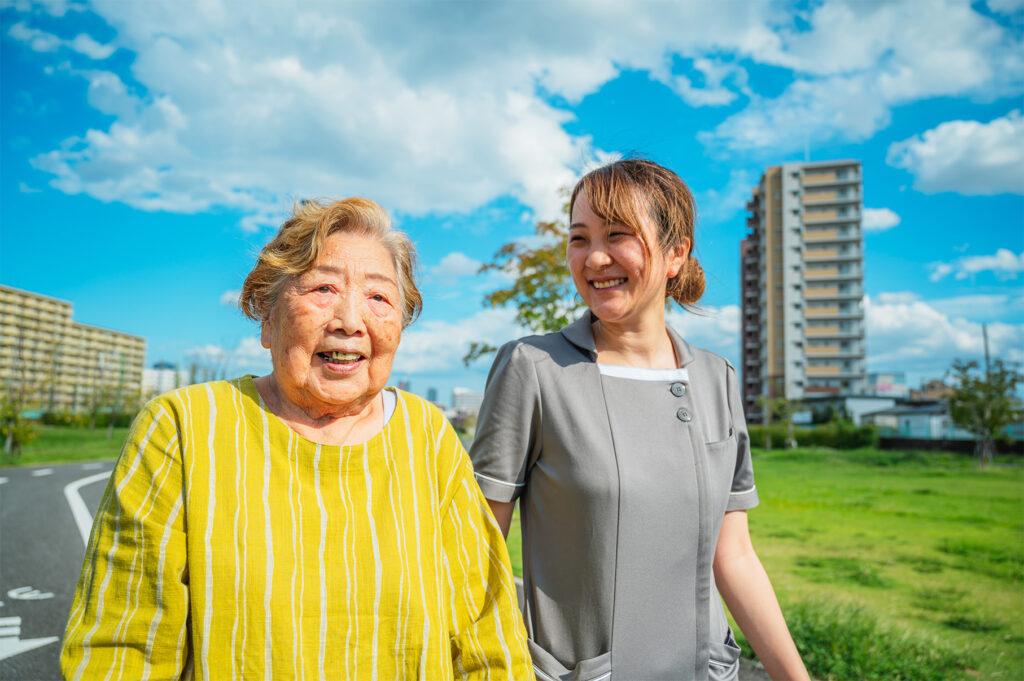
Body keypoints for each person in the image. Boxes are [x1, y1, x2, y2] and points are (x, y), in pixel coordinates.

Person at [61, 197, 532, 680]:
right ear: (266, 318)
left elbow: (487, 631)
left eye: (379, 297)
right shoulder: (184, 427)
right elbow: (122, 647)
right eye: (323, 288)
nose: (351, 321)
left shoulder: (428, 436)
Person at [470, 159, 809, 681]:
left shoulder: (717, 379)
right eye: (579, 238)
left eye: (618, 235)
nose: (595, 257)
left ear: (677, 254)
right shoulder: (533, 369)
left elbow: (734, 556)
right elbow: (478, 553)